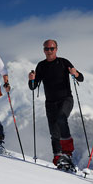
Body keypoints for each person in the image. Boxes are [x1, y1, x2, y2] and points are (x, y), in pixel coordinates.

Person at [28, 39, 84, 169]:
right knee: (54, 131)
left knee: (61, 118)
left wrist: (74, 73)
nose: (49, 51)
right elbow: (33, 87)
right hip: (50, 102)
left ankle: (67, 153)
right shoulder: (41, 66)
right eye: (47, 49)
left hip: (66, 99)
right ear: (43, 50)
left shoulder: (64, 62)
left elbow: (80, 78)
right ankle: (58, 157)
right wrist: (31, 80)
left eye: (51, 49)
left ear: (56, 49)